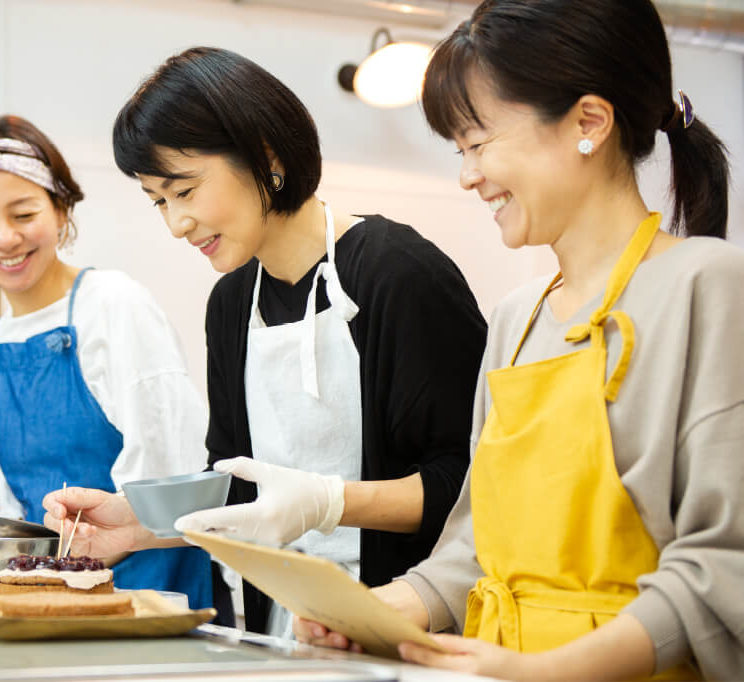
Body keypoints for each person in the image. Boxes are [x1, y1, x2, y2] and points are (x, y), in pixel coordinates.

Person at [295, 0, 744, 679]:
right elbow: (474, 549)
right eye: (460, 150)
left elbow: (722, 564)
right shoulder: (515, 318)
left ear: (588, 123)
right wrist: (370, 613)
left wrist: (550, 670)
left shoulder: (707, 284)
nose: (467, 175)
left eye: (479, 144)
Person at [43, 47, 487, 635]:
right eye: (159, 201)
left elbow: (472, 482)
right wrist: (138, 525)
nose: (176, 224)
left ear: (267, 158)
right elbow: (238, 490)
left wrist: (328, 503)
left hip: (407, 623)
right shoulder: (231, 305)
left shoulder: (398, 275)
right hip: (287, 624)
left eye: (185, 190)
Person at [0, 115, 214, 610]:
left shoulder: (113, 304)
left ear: (61, 210)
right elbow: (13, 509)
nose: (5, 238)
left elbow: (172, 471)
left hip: (152, 592)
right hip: (49, 599)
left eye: (23, 213)